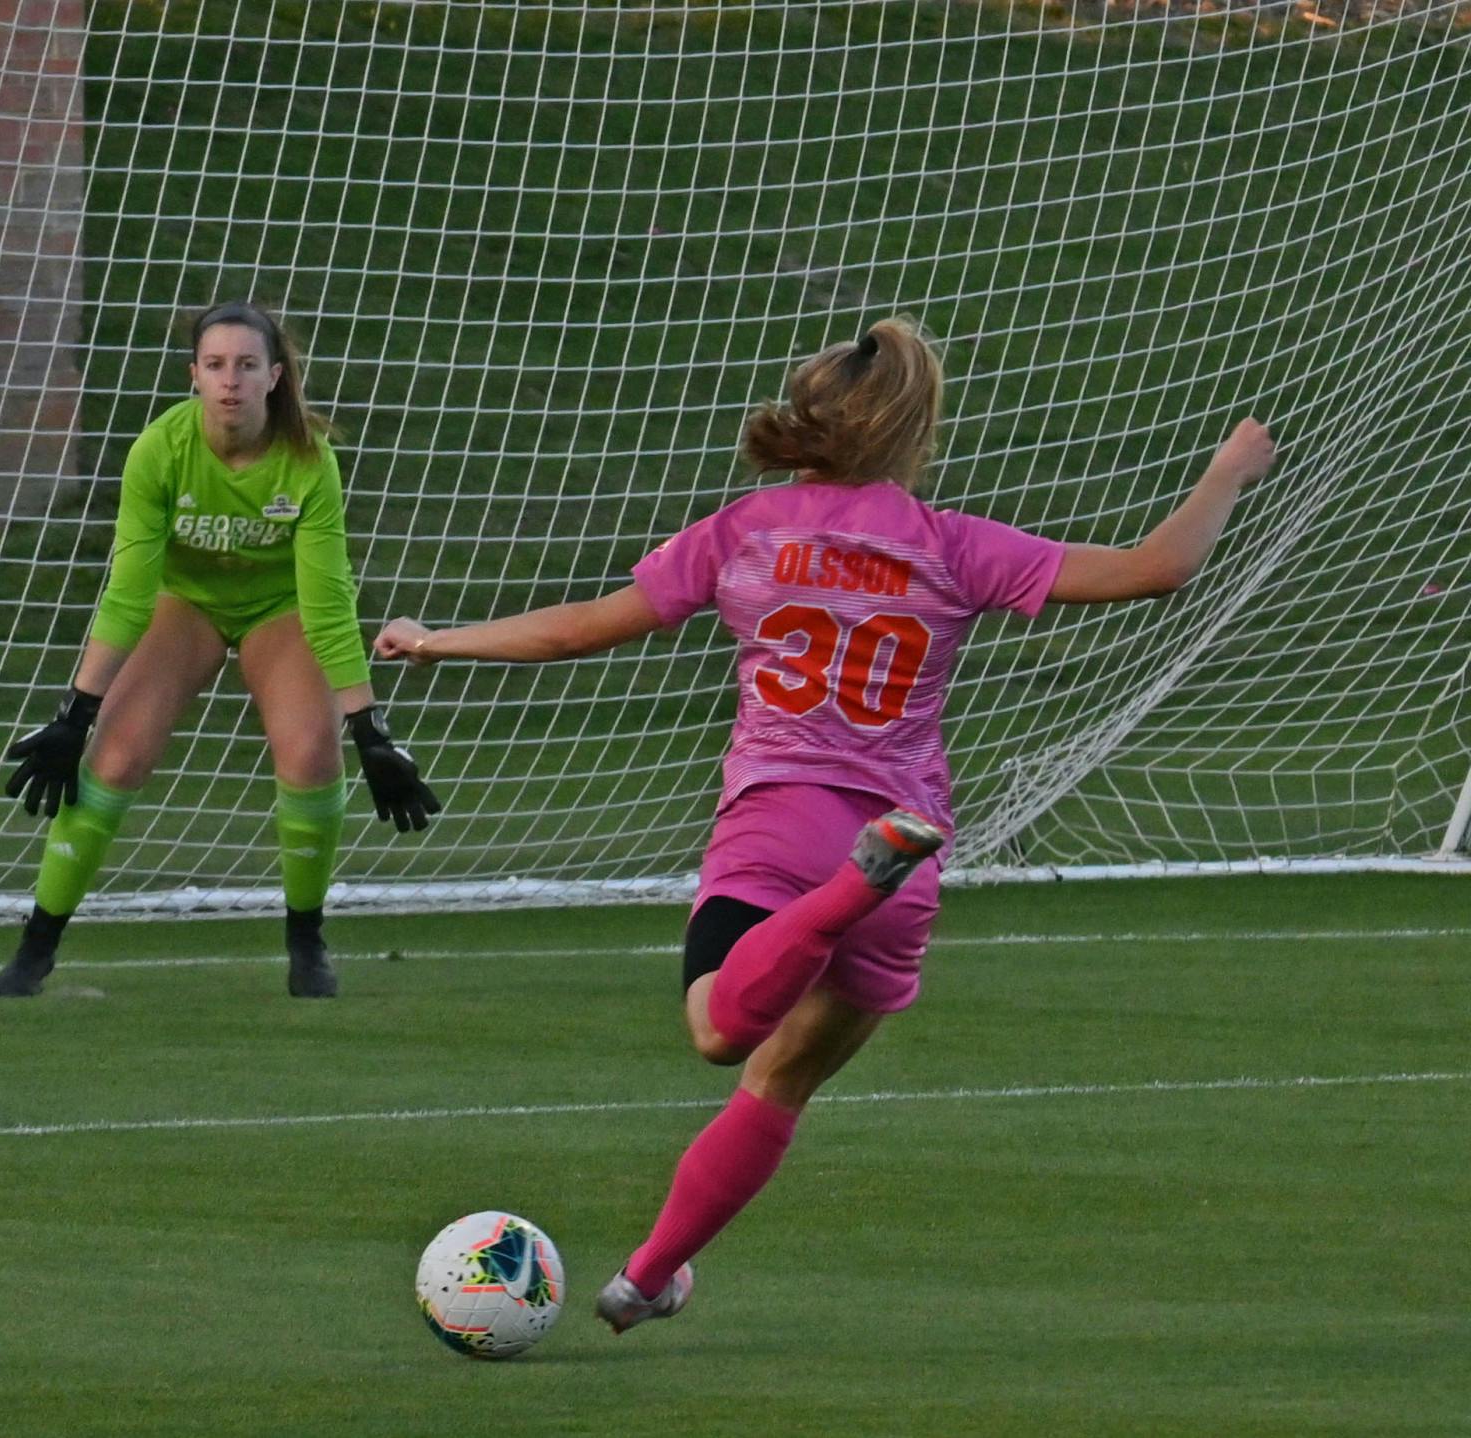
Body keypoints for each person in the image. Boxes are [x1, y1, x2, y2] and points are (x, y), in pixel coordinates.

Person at [373, 315, 1274, 1332]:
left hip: (781, 822)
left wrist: (439, 640)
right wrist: (1226, 472)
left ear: (807, 416)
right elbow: (1156, 567)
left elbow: (580, 629)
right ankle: (646, 1279)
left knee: (720, 1029)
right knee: (782, 1081)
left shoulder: (746, 530)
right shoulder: (952, 544)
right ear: (912, 431)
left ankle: (845, 890)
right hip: (907, 844)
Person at [0, 300, 440, 1000]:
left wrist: (369, 729)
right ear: (193, 376)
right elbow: (129, 593)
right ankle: (38, 943)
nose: (230, 380)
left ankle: (306, 940)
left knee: (311, 754)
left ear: (275, 377)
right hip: (186, 602)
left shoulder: (309, 461)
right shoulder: (159, 450)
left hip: (278, 607)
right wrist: (75, 714)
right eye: (215, 364)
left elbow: (328, 602)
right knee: (116, 755)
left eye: (246, 364)